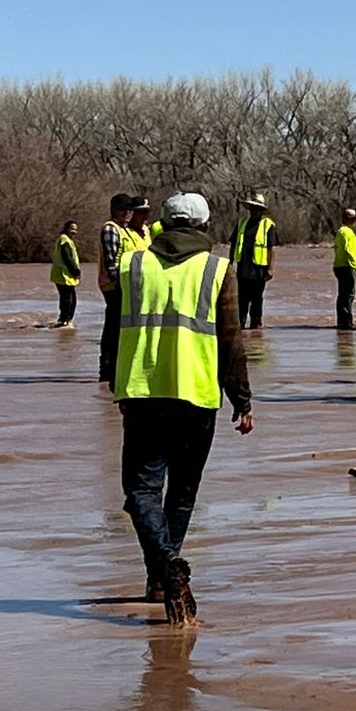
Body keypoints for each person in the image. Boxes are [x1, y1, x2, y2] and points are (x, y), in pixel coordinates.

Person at [113, 192, 252, 625]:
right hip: (196, 395)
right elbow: (231, 339)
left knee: (140, 491)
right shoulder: (217, 269)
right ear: (206, 226)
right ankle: (166, 571)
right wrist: (242, 400)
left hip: (141, 390)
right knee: (182, 493)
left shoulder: (133, 264)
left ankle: (163, 572)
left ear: (162, 224)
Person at [97, 190, 151, 390]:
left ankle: (120, 368)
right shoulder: (111, 229)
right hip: (115, 287)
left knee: (122, 330)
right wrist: (120, 285)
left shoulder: (130, 230)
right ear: (115, 210)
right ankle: (107, 370)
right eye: (124, 210)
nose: (128, 213)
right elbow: (112, 262)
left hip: (132, 287)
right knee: (113, 330)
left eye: (130, 210)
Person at [230, 194, 275, 330]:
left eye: (257, 209)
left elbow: (271, 249)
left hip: (259, 269)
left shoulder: (268, 225)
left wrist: (270, 269)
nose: (254, 211)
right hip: (243, 267)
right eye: (253, 208)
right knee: (242, 298)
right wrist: (230, 263)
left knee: (257, 298)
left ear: (261, 211)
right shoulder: (242, 223)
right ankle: (241, 324)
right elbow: (233, 244)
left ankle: (256, 324)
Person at [331, 206, 356, 330]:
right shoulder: (347, 232)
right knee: (348, 295)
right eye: (352, 219)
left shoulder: (340, 231)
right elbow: (349, 252)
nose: (354, 221)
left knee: (343, 295)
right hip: (346, 267)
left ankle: (342, 322)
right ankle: (347, 322)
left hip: (339, 266)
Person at [50, 221, 81, 328]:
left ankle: (66, 320)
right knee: (67, 299)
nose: (74, 232)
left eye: (76, 230)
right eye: (72, 229)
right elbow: (67, 257)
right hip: (62, 274)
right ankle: (64, 320)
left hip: (66, 275)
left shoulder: (67, 240)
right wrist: (75, 270)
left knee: (71, 299)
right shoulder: (64, 241)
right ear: (66, 228)